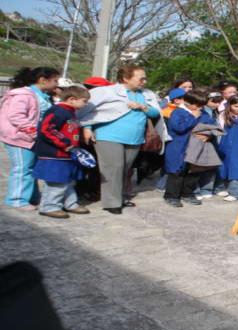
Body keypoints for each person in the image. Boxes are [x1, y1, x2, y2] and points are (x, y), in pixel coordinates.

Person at [79, 64, 164, 215]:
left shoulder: (146, 94)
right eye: (141, 78)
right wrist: (87, 127)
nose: (144, 81)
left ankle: (120, 196)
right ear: (126, 78)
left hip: (134, 138)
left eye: (145, 78)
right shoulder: (105, 91)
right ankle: (112, 202)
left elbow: (155, 113)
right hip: (108, 135)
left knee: (125, 169)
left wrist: (143, 107)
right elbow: (84, 110)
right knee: (113, 168)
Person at [0, 67, 60, 210]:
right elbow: (16, 116)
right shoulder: (24, 95)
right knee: (22, 168)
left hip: (30, 138)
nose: (57, 84)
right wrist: (34, 132)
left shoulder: (40, 95)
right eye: (55, 80)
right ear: (43, 80)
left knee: (31, 168)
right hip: (19, 138)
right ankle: (16, 199)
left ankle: (30, 197)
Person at [33, 85, 91, 218]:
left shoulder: (70, 112)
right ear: (72, 99)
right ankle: (49, 206)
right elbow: (47, 130)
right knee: (57, 182)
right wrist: (65, 143)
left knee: (69, 181)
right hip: (55, 154)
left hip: (67, 155)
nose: (85, 104)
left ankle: (70, 204)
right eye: (84, 101)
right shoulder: (58, 111)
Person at [163, 91, 214, 207]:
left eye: (202, 105)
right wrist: (192, 117)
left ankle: (187, 194)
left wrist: (208, 134)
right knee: (177, 172)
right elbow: (179, 128)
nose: (200, 108)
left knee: (193, 172)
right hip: (178, 147)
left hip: (196, 147)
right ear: (187, 102)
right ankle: (171, 196)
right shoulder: (178, 112)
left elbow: (212, 125)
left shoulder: (203, 113)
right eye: (198, 105)